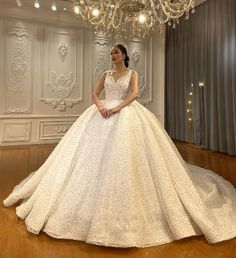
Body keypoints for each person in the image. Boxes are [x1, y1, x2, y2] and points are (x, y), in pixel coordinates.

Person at [3, 44, 236, 248]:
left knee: (130, 159)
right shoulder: (105, 73)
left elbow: (135, 94)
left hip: (125, 113)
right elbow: (94, 94)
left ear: (124, 55)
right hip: (101, 113)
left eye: (116, 52)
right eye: (111, 52)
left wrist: (117, 108)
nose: (112, 55)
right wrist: (100, 106)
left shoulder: (132, 73)